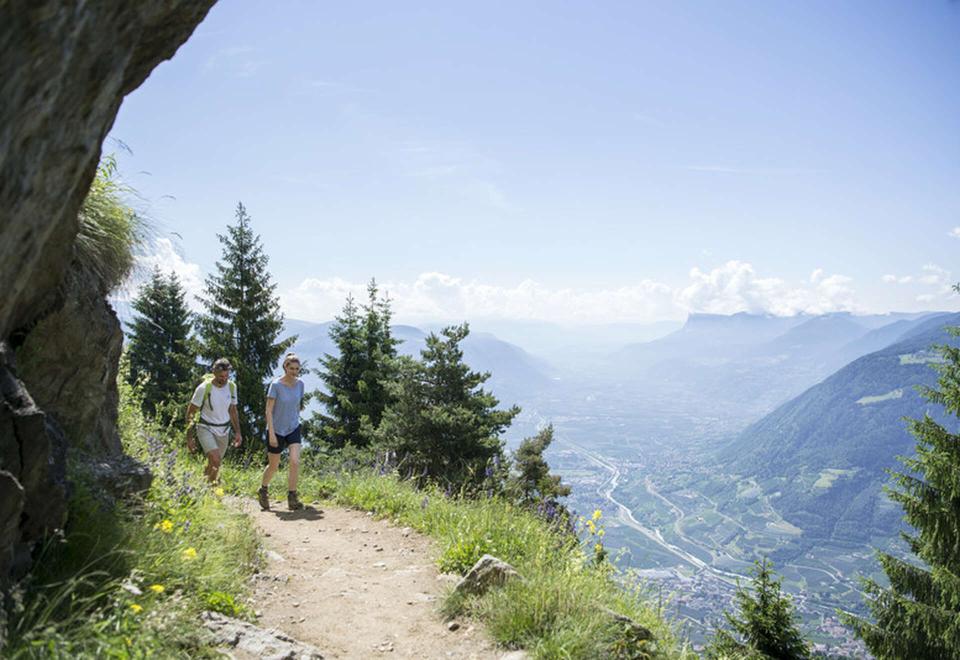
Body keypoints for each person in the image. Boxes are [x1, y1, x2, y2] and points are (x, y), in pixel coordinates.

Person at [258, 353, 306, 511]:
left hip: (293, 427)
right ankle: (263, 489)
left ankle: (292, 497)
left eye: (297, 369)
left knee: (294, 461)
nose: (294, 371)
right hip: (276, 429)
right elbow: (268, 411)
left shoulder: (300, 384)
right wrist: (271, 433)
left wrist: (295, 417)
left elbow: (298, 405)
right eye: (291, 368)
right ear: (285, 367)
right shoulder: (276, 385)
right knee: (273, 466)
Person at [186, 358, 242, 482]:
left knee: (214, 463)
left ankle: (202, 485)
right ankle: (212, 489)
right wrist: (189, 437)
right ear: (214, 372)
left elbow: (233, 410)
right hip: (205, 427)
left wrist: (238, 432)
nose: (224, 379)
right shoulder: (204, 388)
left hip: (224, 430)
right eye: (221, 376)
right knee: (216, 459)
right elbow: (191, 412)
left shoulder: (232, 387)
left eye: (227, 376)